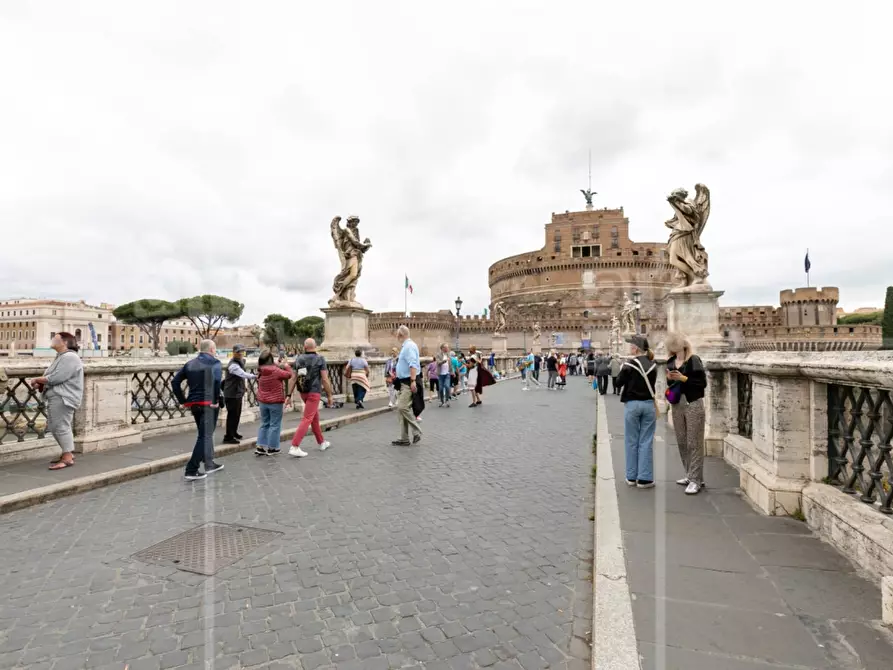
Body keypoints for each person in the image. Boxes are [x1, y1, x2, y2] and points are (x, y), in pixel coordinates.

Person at [30, 332, 84, 471]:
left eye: (56, 338)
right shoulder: (61, 357)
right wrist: (41, 383)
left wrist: (37, 380)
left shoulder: (70, 357)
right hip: (58, 396)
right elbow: (51, 377)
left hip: (63, 397)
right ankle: (67, 453)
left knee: (60, 426)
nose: (53, 340)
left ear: (65, 342)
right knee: (55, 426)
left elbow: (57, 377)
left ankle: (67, 458)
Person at [172, 339, 225, 481]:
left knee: (203, 435)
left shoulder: (189, 364)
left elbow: (175, 382)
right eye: (215, 349)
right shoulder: (215, 363)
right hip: (208, 404)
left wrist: (183, 401)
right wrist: (215, 401)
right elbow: (216, 382)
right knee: (205, 437)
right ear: (212, 349)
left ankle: (209, 463)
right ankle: (191, 469)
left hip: (194, 404)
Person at [666, 332, 708, 495]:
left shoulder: (694, 360)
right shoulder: (670, 362)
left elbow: (701, 383)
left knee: (694, 442)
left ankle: (696, 480)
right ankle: (691, 474)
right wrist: (670, 379)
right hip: (677, 404)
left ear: (683, 345)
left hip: (693, 403)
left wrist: (684, 378)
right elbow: (671, 383)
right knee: (682, 441)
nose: (674, 350)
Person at [615, 335, 658, 489]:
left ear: (635, 348)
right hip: (648, 405)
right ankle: (645, 478)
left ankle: (631, 476)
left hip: (632, 405)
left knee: (631, 440)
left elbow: (618, 382)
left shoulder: (629, 365)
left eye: (631, 345)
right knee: (646, 440)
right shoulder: (653, 365)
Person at [287, 338, 333, 457]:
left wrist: (288, 395)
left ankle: (322, 442)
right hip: (314, 392)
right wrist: (329, 395)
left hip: (303, 392)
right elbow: (324, 379)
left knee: (314, 417)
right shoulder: (320, 359)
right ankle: (295, 446)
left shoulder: (299, 358)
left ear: (304, 346)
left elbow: (293, 378)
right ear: (315, 346)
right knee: (308, 418)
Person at [254, 350, 295, 455]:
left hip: (263, 401)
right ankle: (272, 448)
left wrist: (277, 364)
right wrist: (286, 365)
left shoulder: (260, 370)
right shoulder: (276, 371)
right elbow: (290, 375)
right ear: (271, 360)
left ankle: (260, 447)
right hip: (275, 402)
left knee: (264, 424)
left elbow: (270, 367)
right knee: (275, 425)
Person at [392, 325, 422, 446]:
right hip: (403, 382)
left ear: (400, 335)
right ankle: (404, 438)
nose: (397, 338)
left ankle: (416, 431)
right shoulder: (407, 346)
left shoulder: (409, 346)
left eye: (397, 335)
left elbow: (413, 364)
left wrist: (413, 380)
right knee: (401, 411)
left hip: (408, 382)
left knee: (402, 407)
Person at [222, 344, 256, 445]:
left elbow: (240, 377)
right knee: (232, 415)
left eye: (242, 351)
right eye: (238, 352)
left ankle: (234, 432)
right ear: (234, 353)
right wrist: (256, 376)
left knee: (237, 414)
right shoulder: (233, 365)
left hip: (237, 392)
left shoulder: (241, 361)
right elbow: (243, 374)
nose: (241, 353)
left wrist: (243, 387)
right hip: (231, 393)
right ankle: (228, 437)